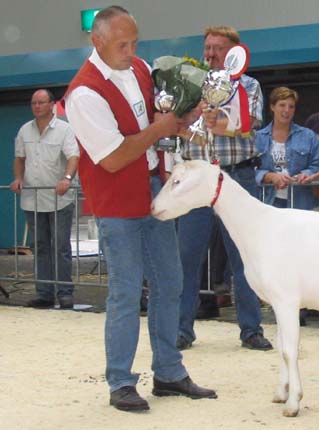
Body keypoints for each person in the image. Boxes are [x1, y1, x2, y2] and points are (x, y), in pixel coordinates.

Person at [65, 6, 216, 411]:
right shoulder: (83, 93)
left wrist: (183, 119)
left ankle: (168, 371)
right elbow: (113, 157)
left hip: (153, 190)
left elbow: (157, 120)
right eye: (122, 45)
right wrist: (159, 129)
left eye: (134, 42)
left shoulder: (140, 70)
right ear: (96, 41)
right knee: (126, 293)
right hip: (117, 203)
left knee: (170, 283)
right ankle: (120, 381)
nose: (131, 51)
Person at [176, 25, 273, 351]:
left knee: (244, 257)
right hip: (197, 178)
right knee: (187, 257)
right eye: (207, 47)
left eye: (217, 48)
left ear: (234, 51)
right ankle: (181, 330)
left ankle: (251, 329)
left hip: (236, 177)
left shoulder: (249, 85)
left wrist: (216, 121)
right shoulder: (190, 83)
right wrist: (192, 120)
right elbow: (178, 126)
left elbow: (248, 124)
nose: (210, 54)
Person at [10, 89, 79, 309]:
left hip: (59, 199)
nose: (37, 106)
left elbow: (73, 156)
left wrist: (67, 178)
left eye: (41, 102)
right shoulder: (24, 130)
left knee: (60, 247)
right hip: (33, 198)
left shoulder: (64, 130)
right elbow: (20, 158)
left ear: (51, 104)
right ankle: (44, 293)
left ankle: (65, 292)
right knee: (39, 246)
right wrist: (18, 178)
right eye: (34, 103)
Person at [256, 86, 319, 209]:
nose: (287, 110)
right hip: (268, 202)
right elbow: (250, 170)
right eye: (282, 105)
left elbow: (318, 165)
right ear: (272, 107)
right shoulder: (258, 137)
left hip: (301, 203)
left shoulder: (308, 136)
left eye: (291, 106)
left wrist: (306, 174)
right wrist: (270, 176)